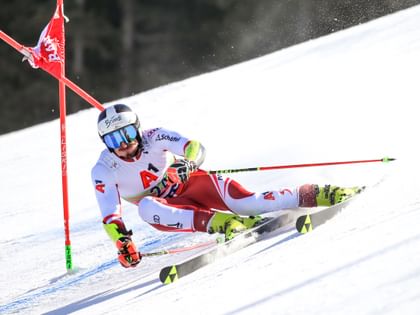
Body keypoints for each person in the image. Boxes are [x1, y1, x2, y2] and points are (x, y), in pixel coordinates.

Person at [91, 104, 361, 268]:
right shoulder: (104, 169)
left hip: (194, 184)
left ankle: (319, 193)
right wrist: (122, 243)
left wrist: (188, 164)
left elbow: (194, 146)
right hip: (170, 209)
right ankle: (225, 223)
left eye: (126, 134)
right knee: (146, 207)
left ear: (137, 129)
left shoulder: (155, 136)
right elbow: (110, 215)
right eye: (114, 140)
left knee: (250, 202)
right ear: (105, 143)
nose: (124, 144)